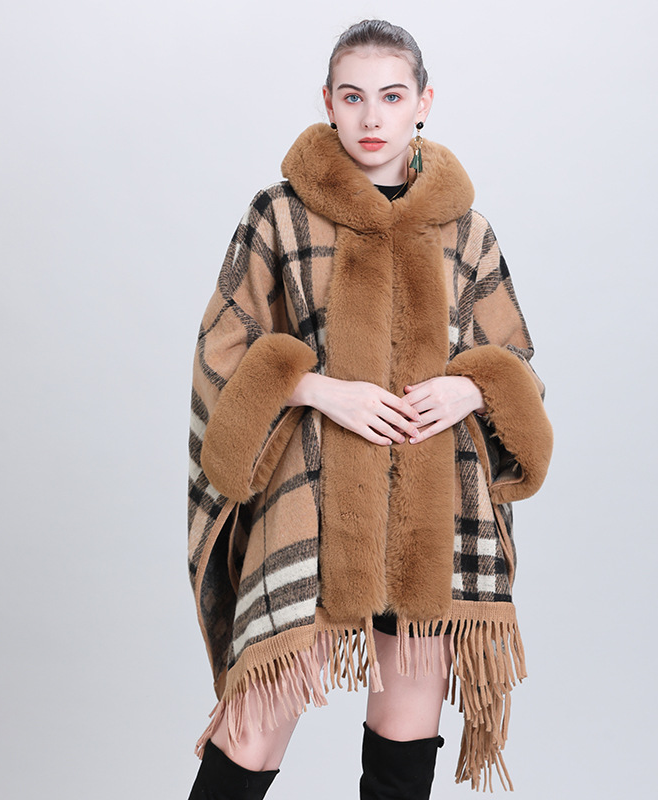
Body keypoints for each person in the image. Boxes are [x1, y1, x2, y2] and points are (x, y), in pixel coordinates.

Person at [186, 19, 552, 799]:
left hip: (437, 506)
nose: (372, 117)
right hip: (312, 500)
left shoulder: (466, 230)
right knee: (253, 729)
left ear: (424, 102)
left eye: (390, 96)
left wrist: (472, 386)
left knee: (406, 733)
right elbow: (223, 350)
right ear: (327, 102)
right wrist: (317, 388)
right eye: (353, 97)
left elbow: (516, 362)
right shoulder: (279, 215)